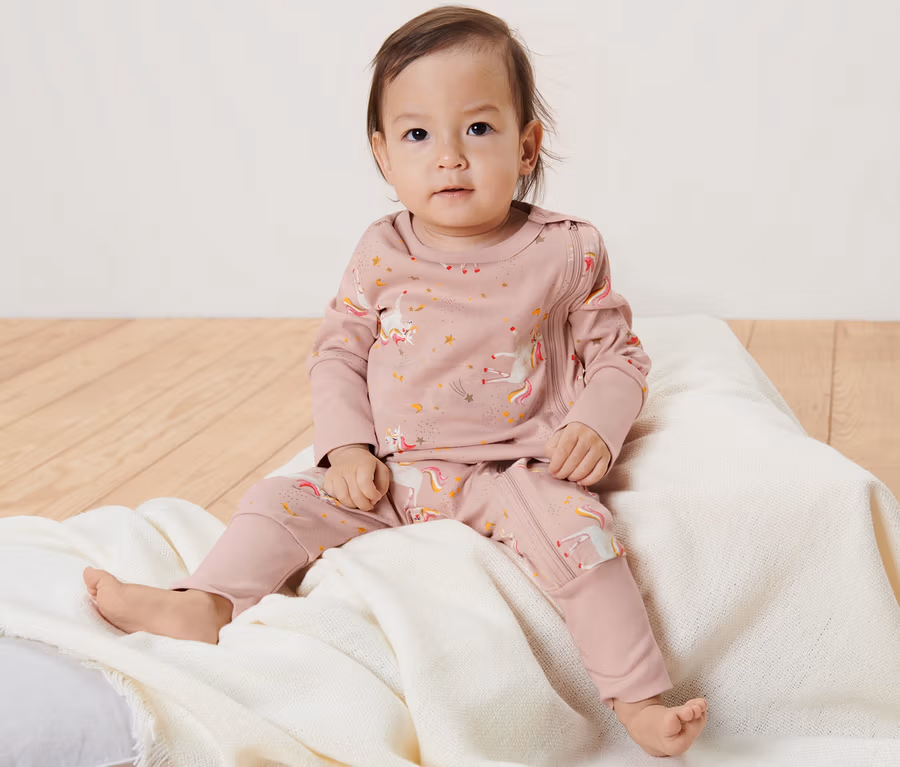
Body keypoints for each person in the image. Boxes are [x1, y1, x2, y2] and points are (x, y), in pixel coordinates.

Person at [84, 6, 707, 756]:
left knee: (585, 541)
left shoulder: (565, 250)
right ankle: (204, 602)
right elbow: (338, 353)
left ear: (527, 145)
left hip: (515, 471)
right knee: (276, 500)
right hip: (392, 473)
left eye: (478, 128)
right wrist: (348, 448)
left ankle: (638, 697)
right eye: (418, 135)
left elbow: (619, 356)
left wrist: (594, 424)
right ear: (383, 155)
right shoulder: (381, 252)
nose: (449, 157)